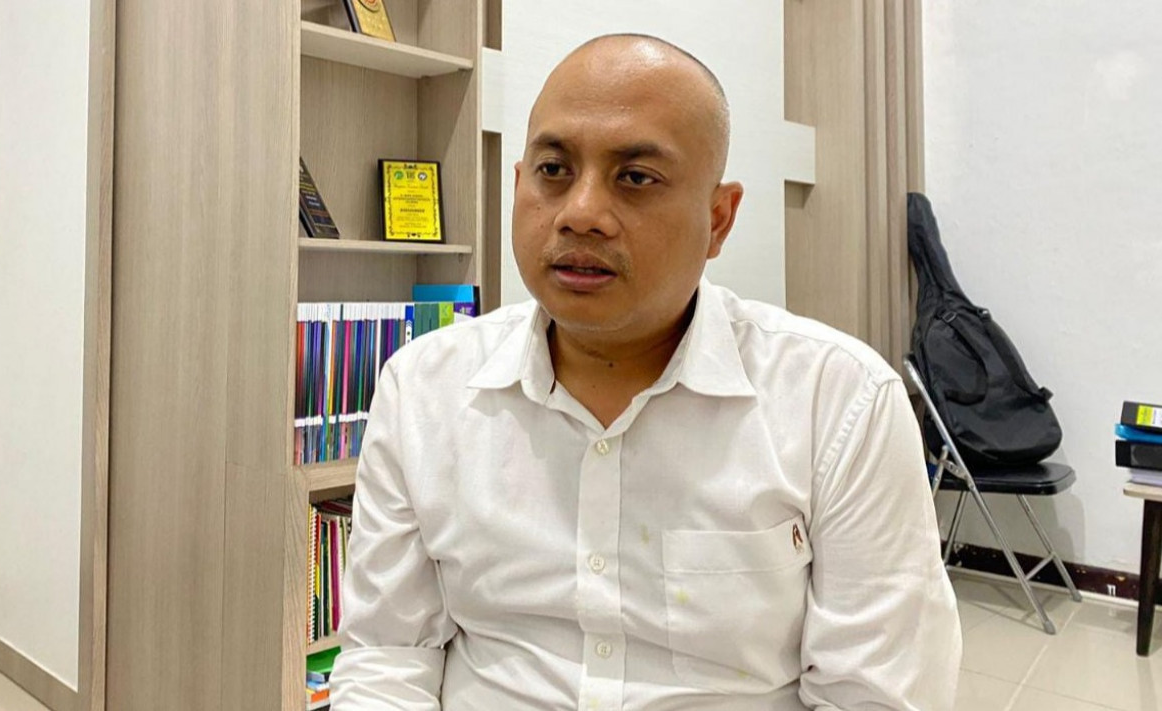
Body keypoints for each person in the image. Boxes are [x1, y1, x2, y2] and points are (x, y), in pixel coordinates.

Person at [331, 33, 961, 710]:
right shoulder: (423, 387)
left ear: (718, 219)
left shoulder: (839, 401)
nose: (580, 214)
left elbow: (874, 694)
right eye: (553, 169)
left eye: (635, 177)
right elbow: (387, 655)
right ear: (517, 185)